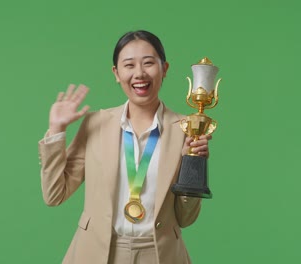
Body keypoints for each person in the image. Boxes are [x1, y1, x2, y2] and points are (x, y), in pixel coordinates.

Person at [38, 30, 212, 264]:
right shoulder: (95, 124)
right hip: (98, 253)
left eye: (149, 63)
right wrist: (56, 129)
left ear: (165, 69)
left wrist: (193, 163)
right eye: (129, 65)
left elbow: (185, 218)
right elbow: (54, 194)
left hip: (160, 254)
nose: (139, 73)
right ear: (116, 73)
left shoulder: (186, 129)